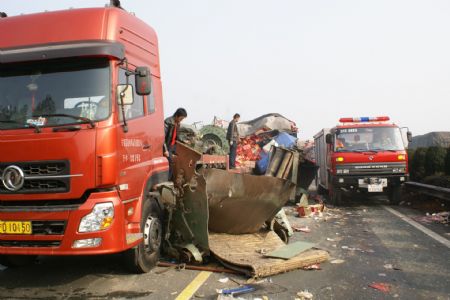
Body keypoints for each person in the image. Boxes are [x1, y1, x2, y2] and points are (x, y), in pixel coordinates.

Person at [164, 108, 187, 179]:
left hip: (173, 146)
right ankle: (167, 180)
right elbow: (162, 137)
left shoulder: (178, 124)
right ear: (177, 116)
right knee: (171, 161)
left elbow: (177, 136)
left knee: (181, 158)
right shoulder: (168, 122)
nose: (181, 120)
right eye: (181, 118)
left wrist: (184, 141)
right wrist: (165, 150)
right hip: (167, 146)